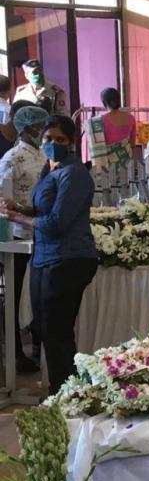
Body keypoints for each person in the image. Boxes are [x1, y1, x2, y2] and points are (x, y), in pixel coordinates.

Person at [0, 115, 97, 394]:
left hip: (69, 258)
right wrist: (17, 207)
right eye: (48, 139)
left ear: (72, 143)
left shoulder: (74, 173)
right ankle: (64, 388)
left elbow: (56, 223)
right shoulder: (49, 168)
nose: (53, 144)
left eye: (60, 140)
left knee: (57, 330)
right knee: (42, 328)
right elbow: (41, 210)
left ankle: (64, 393)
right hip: (44, 256)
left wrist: (19, 218)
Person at [0, 105, 48, 373]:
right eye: (38, 126)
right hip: (18, 236)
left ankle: (39, 345)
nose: (41, 131)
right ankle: (16, 350)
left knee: (38, 294)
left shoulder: (42, 153)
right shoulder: (12, 158)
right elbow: (3, 198)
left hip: (41, 231)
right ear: (27, 128)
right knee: (17, 296)